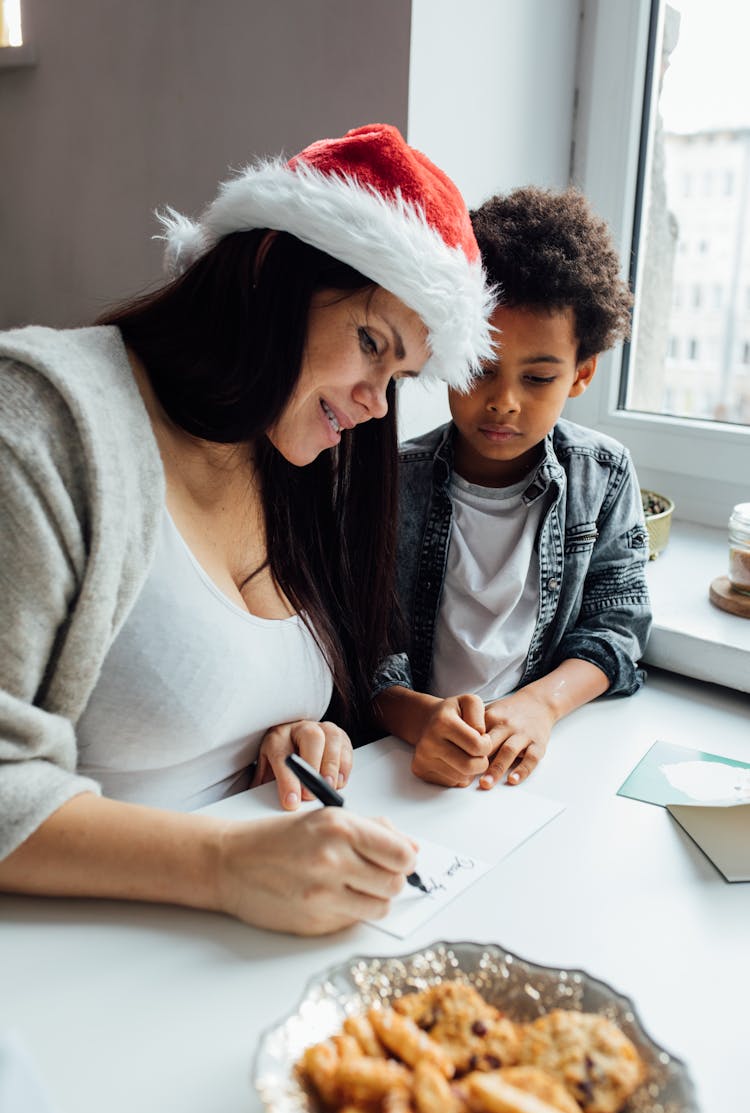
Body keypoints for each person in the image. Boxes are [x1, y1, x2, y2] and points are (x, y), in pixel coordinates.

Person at [0, 124, 495, 935]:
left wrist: (292, 734)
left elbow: (202, 684)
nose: (376, 402)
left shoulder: (283, 459)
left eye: (398, 376)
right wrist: (226, 866)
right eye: (372, 343)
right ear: (270, 267)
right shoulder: (40, 425)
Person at [373, 186, 652, 791]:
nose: (503, 400)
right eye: (481, 367)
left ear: (581, 373)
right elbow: (352, 647)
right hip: (400, 764)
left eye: (539, 377)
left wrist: (541, 706)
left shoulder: (601, 477)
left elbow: (617, 627)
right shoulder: (393, 481)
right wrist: (421, 719)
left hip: (535, 768)